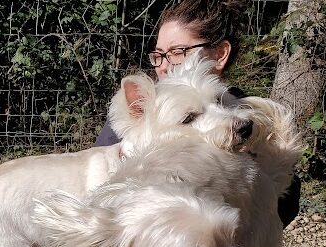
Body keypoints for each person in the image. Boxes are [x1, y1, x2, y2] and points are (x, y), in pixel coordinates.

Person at [95, 0, 300, 226]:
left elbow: (283, 207)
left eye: (177, 52)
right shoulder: (143, 114)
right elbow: (101, 185)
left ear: (220, 54)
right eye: (159, 54)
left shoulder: (250, 117)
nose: (163, 65)